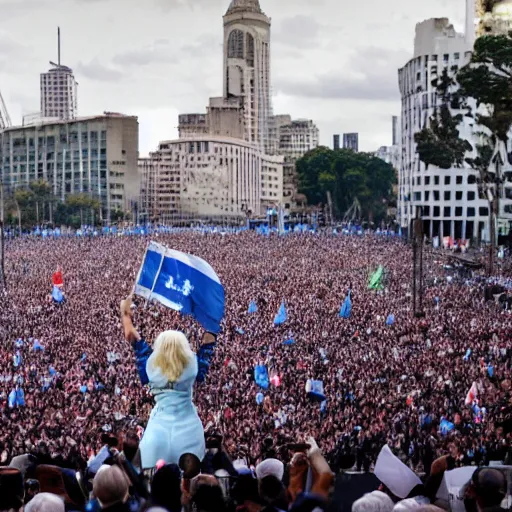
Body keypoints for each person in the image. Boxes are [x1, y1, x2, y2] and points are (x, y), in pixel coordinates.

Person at [120, 296, 216, 469]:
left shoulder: (150, 364)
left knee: (152, 479)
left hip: (157, 433)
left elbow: (131, 336)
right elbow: (208, 344)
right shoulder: (193, 364)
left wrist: (125, 314)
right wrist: (213, 317)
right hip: (190, 432)